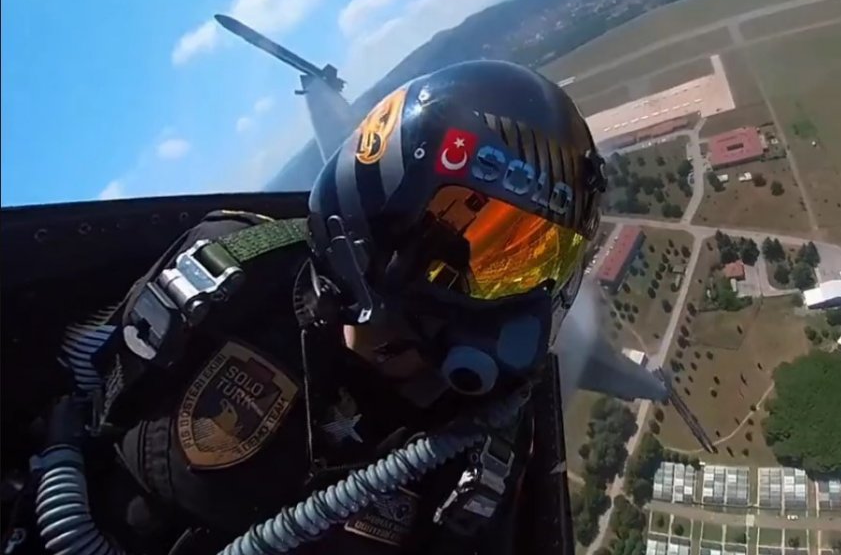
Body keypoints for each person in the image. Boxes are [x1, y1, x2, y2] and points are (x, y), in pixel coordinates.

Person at [63, 61, 606, 555]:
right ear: (378, 231)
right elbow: (79, 393)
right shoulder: (225, 279)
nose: (525, 308)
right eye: (485, 259)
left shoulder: (484, 442)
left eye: (540, 265)